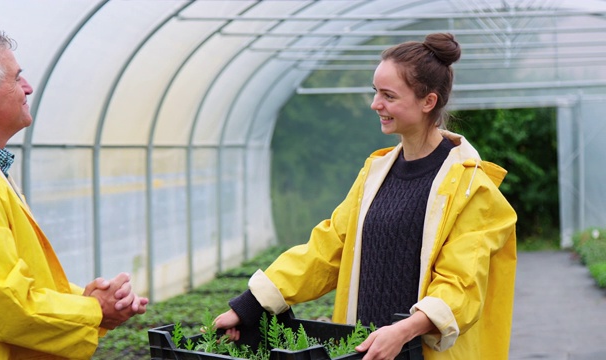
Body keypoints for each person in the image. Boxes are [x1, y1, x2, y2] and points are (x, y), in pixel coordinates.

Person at [214, 33, 517, 360]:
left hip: (420, 351)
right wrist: (250, 306)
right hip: (363, 349)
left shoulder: (473, 188)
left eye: (388, 95)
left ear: (428, 101)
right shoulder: (377, 172)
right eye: (375, 93)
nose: (376, 105)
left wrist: (403, 331)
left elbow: (461, 285)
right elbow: (328, 248)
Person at [0, 27, 149, 359]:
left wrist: (90, 303)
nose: (28, 87)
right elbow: (9, 304)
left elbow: (24, 282)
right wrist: (95, 310)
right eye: (16, 78)